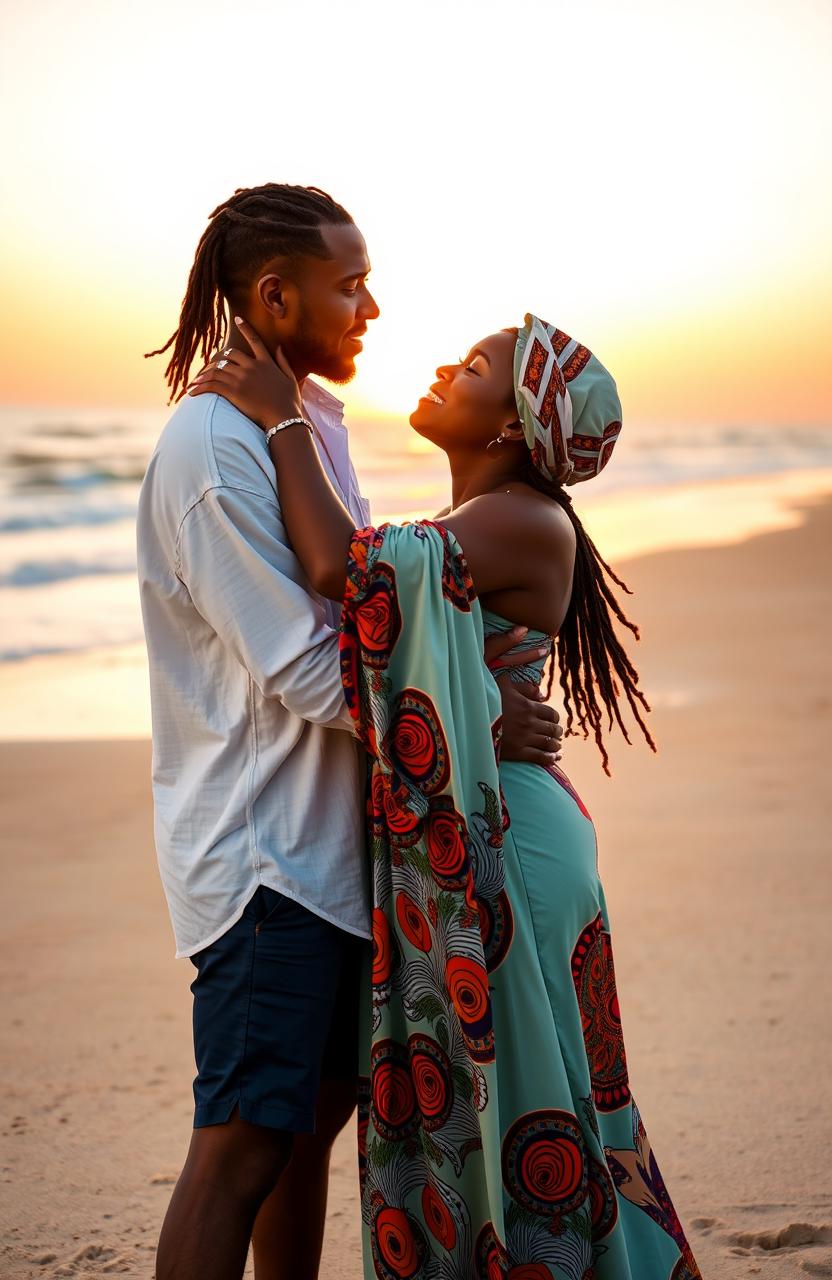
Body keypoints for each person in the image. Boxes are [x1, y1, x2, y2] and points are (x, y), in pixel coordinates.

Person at [187, 311, 702, 1277]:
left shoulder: (520, 519)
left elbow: (348, 573)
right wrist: (473, 713)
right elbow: (389, 632)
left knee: (528, 1098)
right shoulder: (487, 518)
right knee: (504, 1091)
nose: (442, 367)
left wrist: (281, 420)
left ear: (515, 423)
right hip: (489, 813)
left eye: (473, 366)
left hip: (509, 834)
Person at [137, 183, 563, 1280]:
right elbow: (302, 662)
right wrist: (469, 704)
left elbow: (369, 612)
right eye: (350, 283)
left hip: (338, 857)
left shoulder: (307, 426)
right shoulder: (214, 446)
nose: (371, 306)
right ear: (276, 296)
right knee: (240, 1142)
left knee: (309, 1130)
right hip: (263, 855)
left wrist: (456, 682)